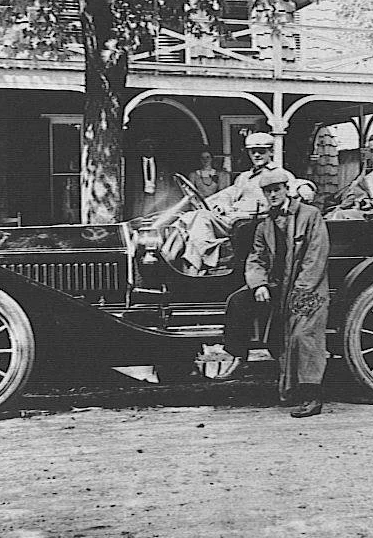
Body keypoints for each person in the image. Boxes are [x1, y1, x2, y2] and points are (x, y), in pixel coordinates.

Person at [216, 169, 330, 418]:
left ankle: (312, 396)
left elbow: (315, 258)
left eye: (277, 189)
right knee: (239, 301)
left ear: (286, 189)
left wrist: (299, 292)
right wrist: (259, 285)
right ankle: (238, 357)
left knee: (302, 334)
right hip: (279, 287)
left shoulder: (310, 216)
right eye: (268, 191)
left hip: (308, 289)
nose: (273, 195)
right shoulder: (265, 225)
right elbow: (256, 259)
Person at [179, 132, 295, 274]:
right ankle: (192, 265)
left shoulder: (278, 173)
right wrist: (220, 205)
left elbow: (295, 185)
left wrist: (306, 186)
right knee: (188, 218)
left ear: (271, 152)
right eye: (253, 152)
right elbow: (228, 194)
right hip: (232, 220)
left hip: (250, 223)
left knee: (198, 219)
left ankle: (200, 264)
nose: (257, 155)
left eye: (261, 151)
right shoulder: (244, 177)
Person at [326, 133, 373, 220]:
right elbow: (353, 201)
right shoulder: (364, 179)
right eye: (372, 151)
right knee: (340, 215)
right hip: (364, 218)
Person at [125, 138, 178, 219]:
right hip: (142, 199)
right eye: (146, 147)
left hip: (158, 198)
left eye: (151, 147)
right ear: (141, 149)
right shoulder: (134, 166)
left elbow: (167, 185)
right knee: (142, 221)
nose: (149, 149)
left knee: (158, 221)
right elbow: (129, 186)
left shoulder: (162, 166)